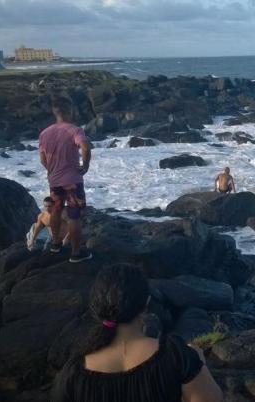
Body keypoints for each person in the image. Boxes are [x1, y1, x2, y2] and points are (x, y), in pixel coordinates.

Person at [51, 263, 223, 402]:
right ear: (146, 303)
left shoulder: (72, 374)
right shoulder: (177, 356)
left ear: (96, 307)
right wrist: (199, 362)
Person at [39, 97, 92, 263]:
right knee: (74, 215)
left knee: (55, 210)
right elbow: (85, 147)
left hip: (54, 180)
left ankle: (55, 244)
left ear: (55, 112)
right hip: (73, 180)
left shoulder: (44, 133)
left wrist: (51, 169)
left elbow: (42, 158)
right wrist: (86, 164)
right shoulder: (75, 130)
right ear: (69, 110)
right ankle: (76, 253)